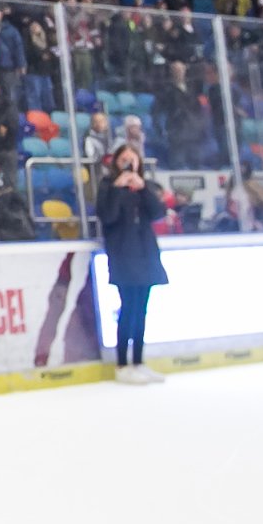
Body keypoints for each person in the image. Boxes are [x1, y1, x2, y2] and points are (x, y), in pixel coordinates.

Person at [99, 145, 167, 384]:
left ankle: (138, 360)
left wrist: (143, 188)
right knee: (128, 308)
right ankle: (122, 363)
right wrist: (118, 190)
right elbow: (107, 216)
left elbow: (158, 213)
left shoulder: (144, 186)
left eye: (132, 159)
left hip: (145, 252)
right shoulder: (108, 186)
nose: (128, 163)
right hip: (123, 254)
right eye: (124, 159)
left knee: (142, 309)